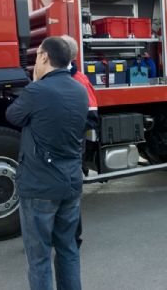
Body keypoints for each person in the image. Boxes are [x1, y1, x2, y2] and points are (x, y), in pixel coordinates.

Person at [6, 36, 89, 290]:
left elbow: (13, 116)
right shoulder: (80, 89)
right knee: (68, 250)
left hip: (40, 185)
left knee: (39, 258)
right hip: (71, 181)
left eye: (37, 56)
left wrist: (34, 82)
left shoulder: (37, 90)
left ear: (44, 57)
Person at [61, 34, 99, 250]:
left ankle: (74, 239)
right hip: (60, 146)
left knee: (71, 192)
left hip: (72, 145)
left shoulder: (79, 81)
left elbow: (92, 116)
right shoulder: (50, 79)